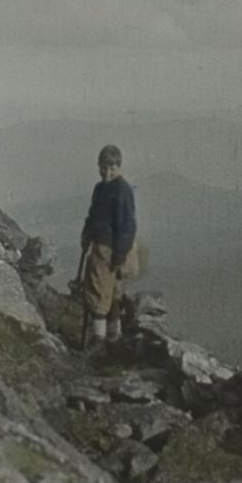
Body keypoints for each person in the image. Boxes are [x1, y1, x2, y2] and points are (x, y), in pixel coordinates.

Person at [79, 145, 137, 345]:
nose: (107, 172)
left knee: (99, 293)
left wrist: (119, 256)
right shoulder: (100, 189)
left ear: (119, 167)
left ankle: (99, 341)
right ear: (99, 166)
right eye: (104, 167)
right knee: (110, 294)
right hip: (103, 246)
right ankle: (113, 338)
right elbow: (92, 215)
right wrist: (86, 235)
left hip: (111, 249)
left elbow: (127, 226)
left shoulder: (122, 190)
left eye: (112, 167)